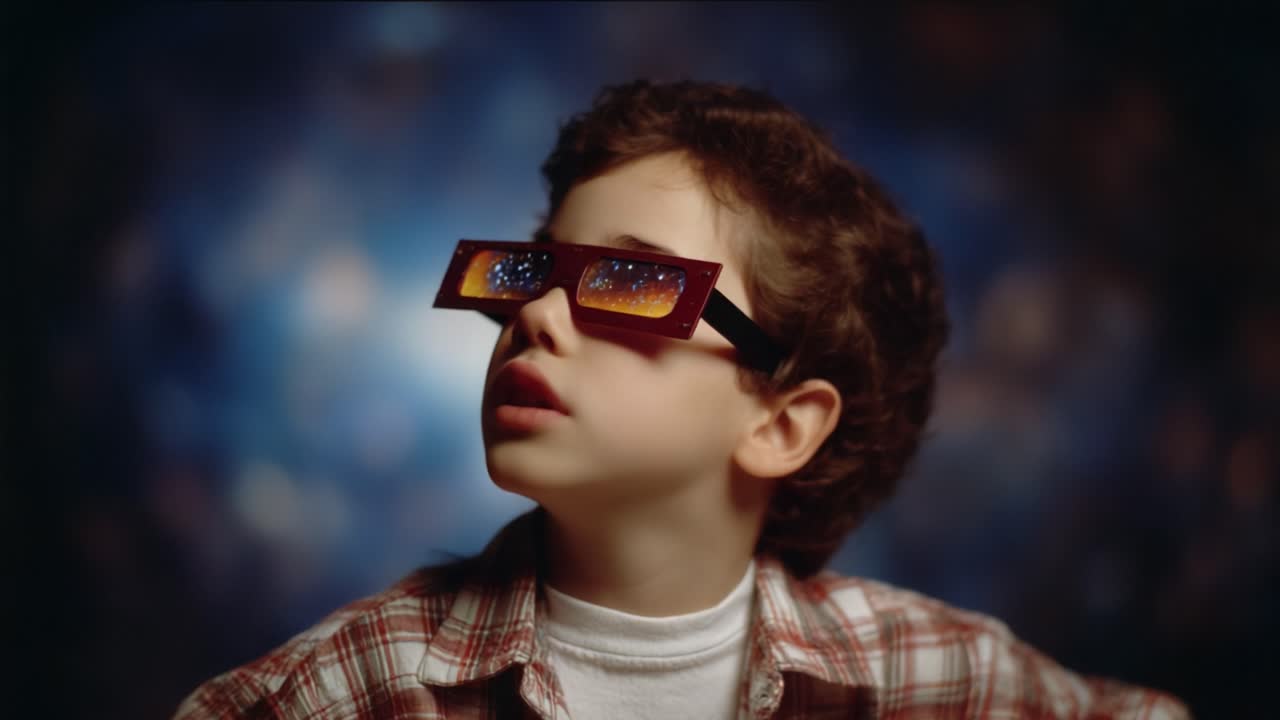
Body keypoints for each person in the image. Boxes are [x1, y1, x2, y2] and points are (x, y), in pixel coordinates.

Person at [175, 80, 1189, 719]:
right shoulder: (344, 692)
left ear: (780, 424)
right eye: (532, 273)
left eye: (626, 285)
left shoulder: (931, 677)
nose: (539, 318)